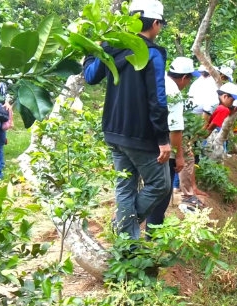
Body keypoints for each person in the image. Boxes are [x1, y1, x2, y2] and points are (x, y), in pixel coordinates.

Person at [83, 0, 171, 239]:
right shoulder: (152, 53)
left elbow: (90, 77)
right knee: (160, 185)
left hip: (113, 131)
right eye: (160, 25)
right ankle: (124, 230)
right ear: (155, 23)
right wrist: (163, 139)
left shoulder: (112, 47)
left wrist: (92, 51)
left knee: (125, 186)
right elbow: (158, 100)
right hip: (141, 135)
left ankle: (127, 244)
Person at [146, 57, 198, 231]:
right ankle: (153, 233)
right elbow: (175, 131)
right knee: (162, 191)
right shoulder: (174, 93)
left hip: (141, 143)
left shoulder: (156, 81)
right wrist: (179, 157)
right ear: (184, 78)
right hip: (162, 149)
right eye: (189, 79)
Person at [0, 76, 13, 180]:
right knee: (0, 143)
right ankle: (1, 165)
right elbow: (7, 97)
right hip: (2, 114)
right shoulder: (2, 82)